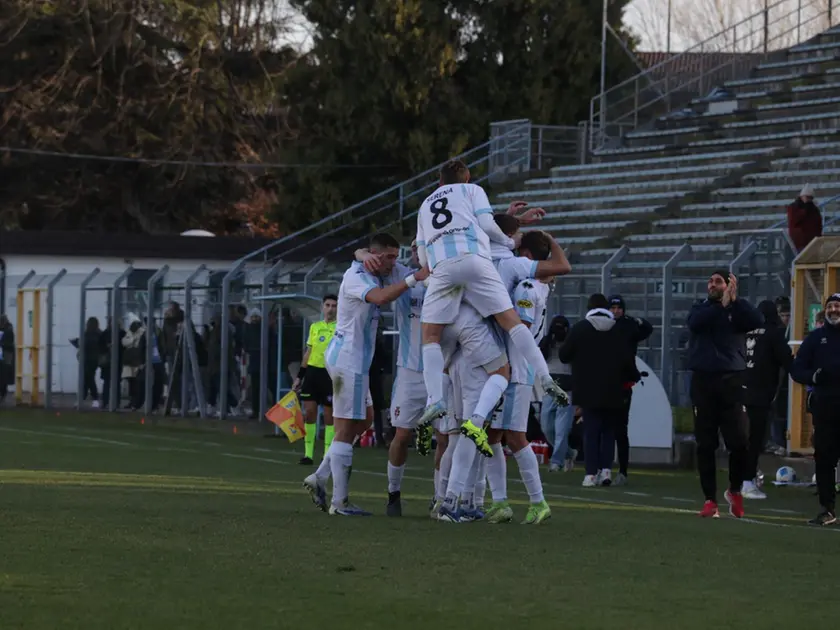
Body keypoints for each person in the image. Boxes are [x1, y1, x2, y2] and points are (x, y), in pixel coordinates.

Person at [414, 159, 569, 457]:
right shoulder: (473, 192)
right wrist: (508, 240)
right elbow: (486, 224)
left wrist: (432, 271)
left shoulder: (424, 206)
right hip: (475, 266)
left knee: (430, 338)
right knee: (510, 328)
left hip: (443, 274)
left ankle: (434, 400)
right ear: (468, 178)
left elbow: (423, 256)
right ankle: (545, 377)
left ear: (438, 182)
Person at [304, 233, 429, 517]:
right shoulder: (358, 277)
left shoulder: (371, 267)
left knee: (366, 420)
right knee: (347, 427)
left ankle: (320, 477)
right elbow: (382, 297)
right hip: (348, 359)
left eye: (396, 258)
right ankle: (340, 503)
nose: (392, 264)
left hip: (355, 360)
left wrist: (363, 253)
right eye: (388, 257)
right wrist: (414, 278)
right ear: (375, 255)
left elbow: (363, 255)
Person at [687, 271, 764, 519]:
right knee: (706, 444)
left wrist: (735, 302)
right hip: (703, 381)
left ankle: (734, 490)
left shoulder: (738, 311)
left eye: (718, 281)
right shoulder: (701, 308)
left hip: (733, 381)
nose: (712, 284)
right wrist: (721, 305)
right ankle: (710, 499)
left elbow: (757, 320)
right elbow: (695, 324)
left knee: (740, 442)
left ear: (729, 284)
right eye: (709, 281)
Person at [558, 294, 640, 488]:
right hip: (614, 388)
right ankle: (605, 471)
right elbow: (628, 360)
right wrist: (633, 377)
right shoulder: (617, 330)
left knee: (591, 431)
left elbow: (564, 355)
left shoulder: (580, 328)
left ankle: (590, 474)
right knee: (609, 431)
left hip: (587, 387)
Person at [790, 293, 840, 526]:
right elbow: (796, 369)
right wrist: (813, 376)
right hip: (825, 408)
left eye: (837, 306)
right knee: (824, 460)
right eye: (830, 306)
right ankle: (827, 509)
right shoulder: (815, 339)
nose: (833, 310)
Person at [742, 300, 793, 500]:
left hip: (739, 391)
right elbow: (787, 361)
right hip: (759, 395)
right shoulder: (774, 334)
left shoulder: (746, 331)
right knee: (755, 440)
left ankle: (741, 480)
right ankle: (747, 482)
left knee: (741, 440)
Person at [607, 294, 653, 486]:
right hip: (605, 382)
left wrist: (639, 321)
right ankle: (602, 468)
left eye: (619, 308)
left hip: (622, 383)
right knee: (604, 428)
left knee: (620, 429)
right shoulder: (603, 325)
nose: (616, 311)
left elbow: (647, 329)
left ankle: (622, 470)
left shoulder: (628, 326)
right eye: (613, 308)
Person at [293, 295, 337, 465]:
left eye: (334, 305)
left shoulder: (341, 328)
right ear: (322, 307)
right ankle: (308, 454)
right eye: (327, 305)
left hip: (329, 374)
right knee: (309, 412)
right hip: (312, 373)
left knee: (329, 416)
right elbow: (308, 353)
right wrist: (299, 377)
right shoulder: (315, 327)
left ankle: (327, 455)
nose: (331, 308)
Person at [539, 316, 576, 472]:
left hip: (567, 389)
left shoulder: (573, 344)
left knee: (562, 429)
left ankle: (556, 461)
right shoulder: (547, 343)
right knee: (547, 427)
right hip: (551, 388)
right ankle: (568, 452)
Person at [786, 184, 822, 253]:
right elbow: (793, 221)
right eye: (807, 197)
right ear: (802, 196)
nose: (809, 199)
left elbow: (818, 225)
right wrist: (805, 210)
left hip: (811, 243)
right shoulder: (793, 207)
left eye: (810, 198)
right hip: (799, 243)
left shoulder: (814, 209)